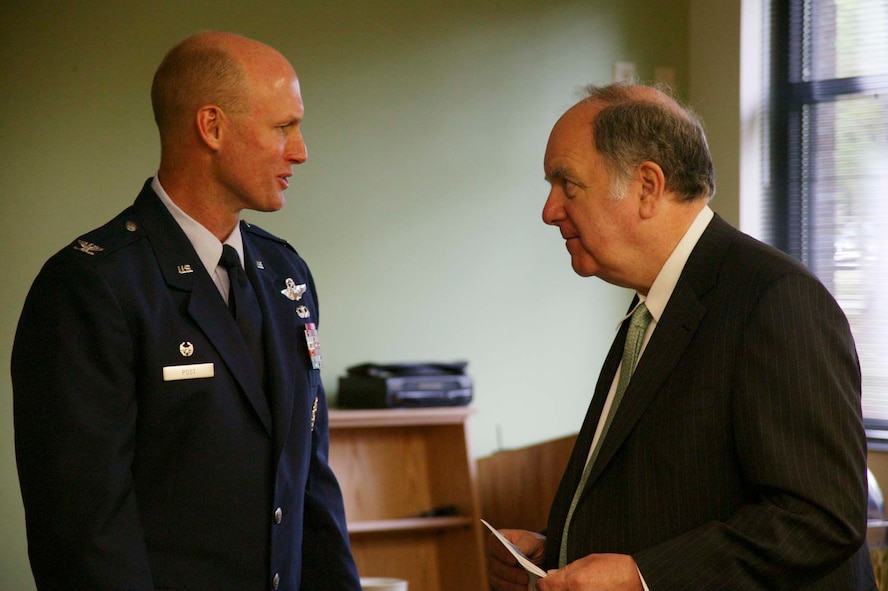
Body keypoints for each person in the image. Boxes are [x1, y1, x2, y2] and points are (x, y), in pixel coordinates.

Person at [486, 83, 877, 590]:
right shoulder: (652, 304)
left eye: (568, 184)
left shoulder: (775, 299)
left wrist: (644, 577)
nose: (549, 210)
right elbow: (671, 499)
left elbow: (822, 517)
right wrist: (560, 550)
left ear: (647, 186)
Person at [12, 31, 361, 591]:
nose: (300, 150)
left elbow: (310, 488)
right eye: (283, 127)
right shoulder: (91, 286)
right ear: (212, 127)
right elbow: (83, 531)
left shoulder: (285, 274)